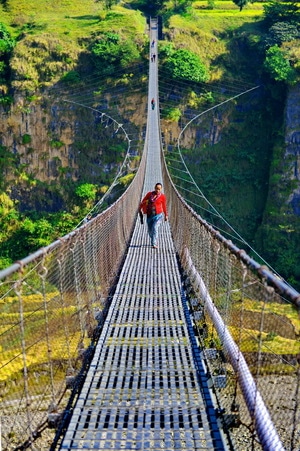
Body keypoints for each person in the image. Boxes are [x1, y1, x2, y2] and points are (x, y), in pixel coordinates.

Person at [139, 183, 168, 249]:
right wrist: (140, 208)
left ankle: (154, 243)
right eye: (156, 188)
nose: (157, 190)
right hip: (149, 215)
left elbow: (164, 206)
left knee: (155, 227)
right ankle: (153, 238)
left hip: (158, 215)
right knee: (150, 231)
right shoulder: (149, 194)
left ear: (161, 189)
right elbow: (143, 202)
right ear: (154, 188)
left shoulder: (162, 196)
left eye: (159, 189)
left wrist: (166, 215)